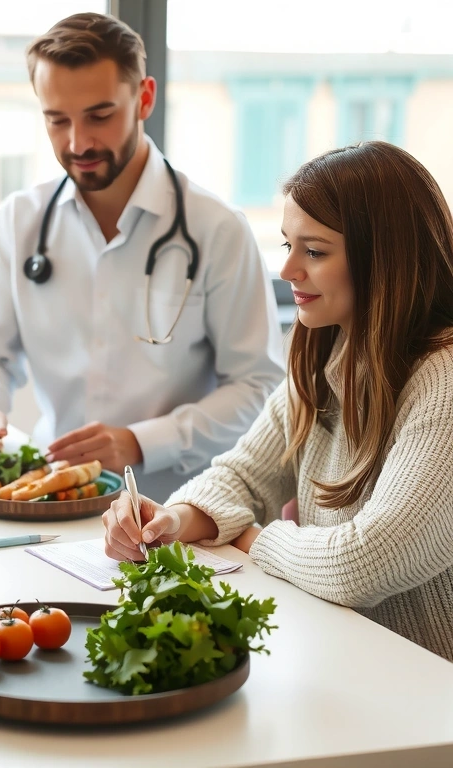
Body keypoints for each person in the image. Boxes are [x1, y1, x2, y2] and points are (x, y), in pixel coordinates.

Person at [103, 141, 453, 662]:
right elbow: (244, 476)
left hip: (426, 690)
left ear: (385, 259)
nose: (288, 270)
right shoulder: (326, 350)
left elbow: (366, 563)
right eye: (288, 244)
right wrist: (174, 517)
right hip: (346, 662)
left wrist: (252, 539)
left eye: (314, 252)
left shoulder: (442, 384)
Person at [0, 12, 284, 503]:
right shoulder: (20, 222)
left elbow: (259, 389)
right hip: (52, 503)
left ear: (144, 98)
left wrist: (141, 443)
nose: (77, 143)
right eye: (56, 120)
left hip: (177, 510)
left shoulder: (217, 229)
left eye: (99, 116)